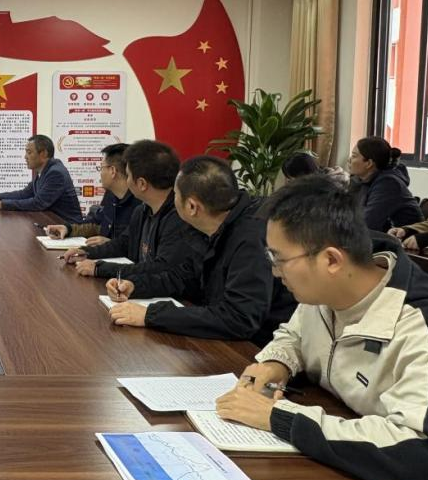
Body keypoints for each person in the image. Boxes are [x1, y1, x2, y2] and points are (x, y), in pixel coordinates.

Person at [215, 175, 428, 480]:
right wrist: (276, 363)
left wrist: (278, 417)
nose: (274, 272)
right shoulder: (324, 292)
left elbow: (425, 456)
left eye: (279, 259)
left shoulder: (424, 325)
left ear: (332, 260)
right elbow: (294, 334)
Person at [104, 156, 296, 345]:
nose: (172, 200)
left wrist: (149, 315)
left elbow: (239, 318)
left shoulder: (252, 236)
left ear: (192, 206)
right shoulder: (209, 225)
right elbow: (186, 276)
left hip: (255, 350)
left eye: (175, 194)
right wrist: (136, 286)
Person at [65, 140, 204, 279]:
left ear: (142, 184)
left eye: (128, 175)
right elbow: (124, 243)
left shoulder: (178, 218)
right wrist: (86, 252)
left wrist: (101, 269)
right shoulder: (142, 210)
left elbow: (160, 268)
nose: (127, 181)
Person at [45, 142, 141, 244]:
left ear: (112, 171)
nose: (100, 173)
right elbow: (96, 224)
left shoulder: (140, 203)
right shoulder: (111, 194)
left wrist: (111, 244)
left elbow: (140, 246)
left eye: (101, 167)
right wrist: (67, 229)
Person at [0, 135, 83, 224]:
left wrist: (1, 204)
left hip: (68, 227)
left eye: (29, 152)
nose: (25, 157)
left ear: (43, 154)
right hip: (51, 222)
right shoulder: (44, 170)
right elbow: (25, 193)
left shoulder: (55, 173)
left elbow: (38, 203)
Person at [348, 137, 423, 232]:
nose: (349, 160)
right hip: (378, 235)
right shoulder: (361, 179)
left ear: (369, 163)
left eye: (354, 156)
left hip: (405, 238)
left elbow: (367, 224)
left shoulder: (388, 184)